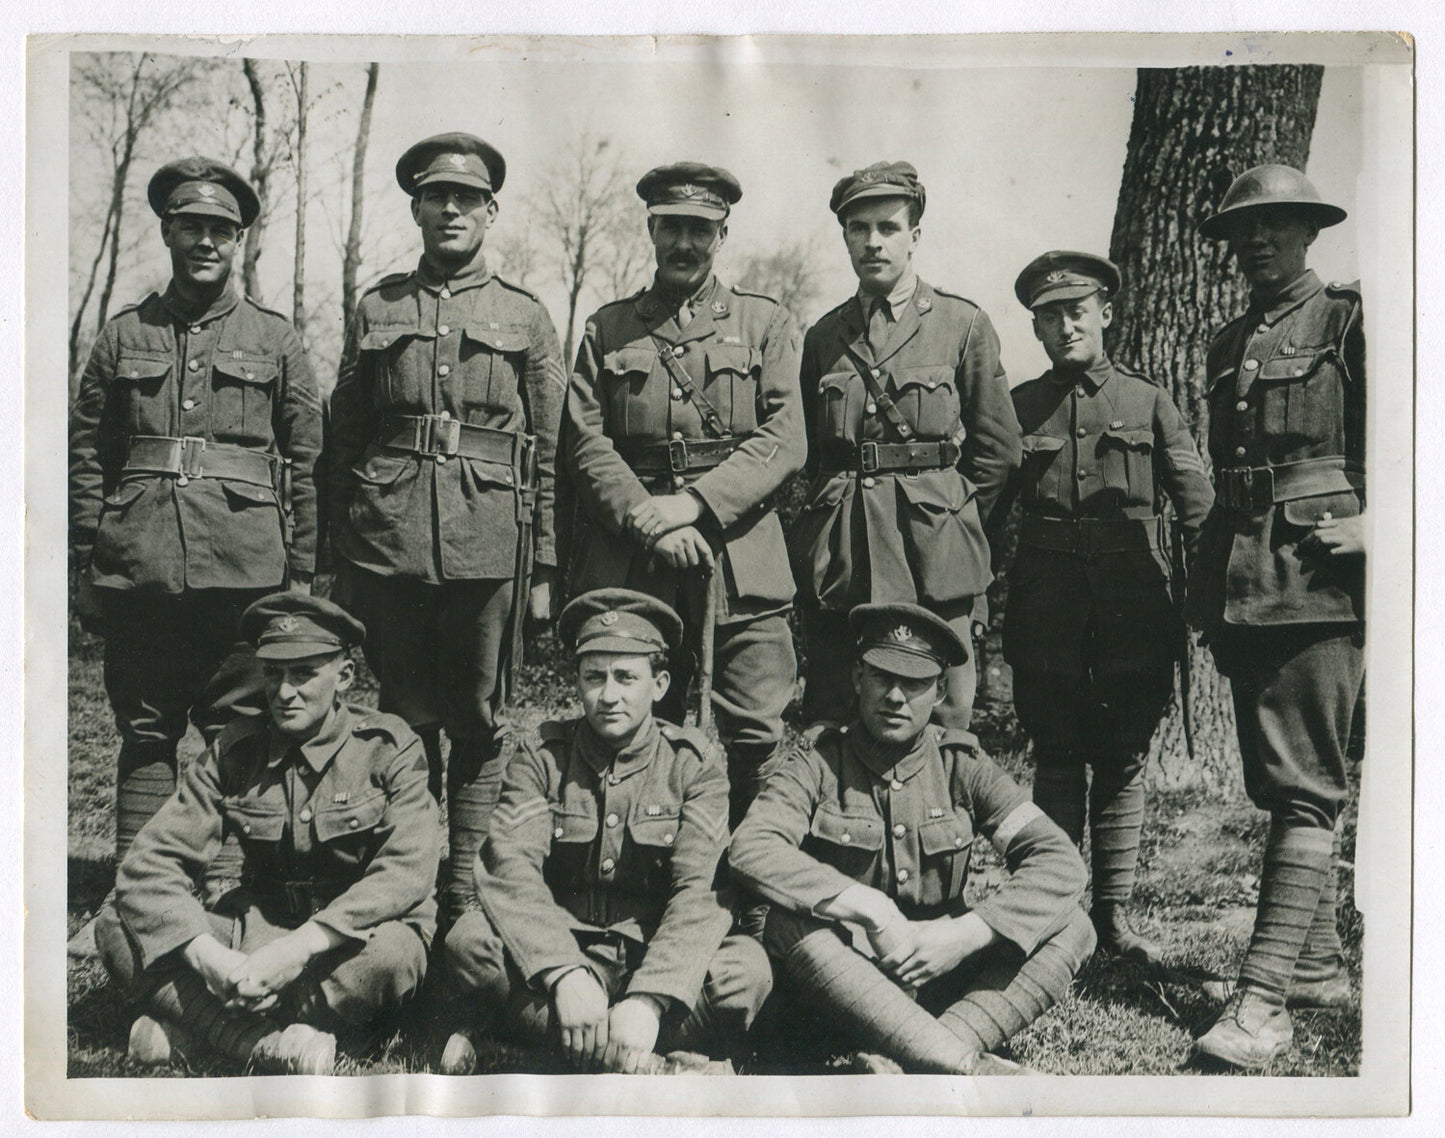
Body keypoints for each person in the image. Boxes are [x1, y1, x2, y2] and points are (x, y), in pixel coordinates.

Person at [68, 156, 323, 942]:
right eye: (191, 226)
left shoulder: (276, 340)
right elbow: (87, 454)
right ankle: (133, 900)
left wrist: (304, 582)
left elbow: (311, 462)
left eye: (220, 229)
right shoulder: (122, 336)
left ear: (238, 237)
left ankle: (232, 896)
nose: (205, 240)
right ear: (169, 230)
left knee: (241, 734)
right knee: (146, 732)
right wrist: (88, 560)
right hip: (140, 561)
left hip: (246, 570)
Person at [328, 132, 565, 925]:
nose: (452, 209)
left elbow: (552, 452)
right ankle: (407, 889)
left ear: (490, 212)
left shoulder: (525, 315)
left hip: (489, 538)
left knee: (479, 719)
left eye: (468, 199)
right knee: (400, 716)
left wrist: (544, 569)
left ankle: (463, 891)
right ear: (418, 209)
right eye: (439, 197)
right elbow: (345, 434)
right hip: (388, 539)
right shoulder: (378, 306)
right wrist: (341, 554)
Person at [729, 603, 1095, 1074]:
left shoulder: (962, 765)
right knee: (787, 924)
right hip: (840, 982)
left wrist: (964, 934)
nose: (896, 696)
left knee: (1073, 926)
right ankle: (961, 1062)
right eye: (882, 676)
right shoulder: (817, 762)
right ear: (859, 677)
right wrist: (868, 906)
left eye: (916, 682)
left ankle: (915, 1054)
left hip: (938, 973)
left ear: (940, 690)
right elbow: (753, 847)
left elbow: (1059, 861)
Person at [94, 594, 440, 1075]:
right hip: (255, 940)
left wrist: (296, 951)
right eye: (274, 673)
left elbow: (407, 871)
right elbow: (147, 864)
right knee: (116, 924)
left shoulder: (388, 747)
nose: (284, 691)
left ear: (344, 677)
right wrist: (209, 957)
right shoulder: (236, 749)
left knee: (394, 957)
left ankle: (201, 1029)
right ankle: (269, 1044)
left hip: (347, 945)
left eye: (304, 673)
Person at [439, 589, 772, 1075]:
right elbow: (510, 870)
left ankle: (535, 1052)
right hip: (559, 957)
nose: (608, 694)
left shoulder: (692, 765)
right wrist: (563, 972)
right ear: (576, 682)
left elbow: (699, 892)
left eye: (626, 677)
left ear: (659, 685)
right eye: (594, 677)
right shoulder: (543, 757)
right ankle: (652, 1063)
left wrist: (651, 999)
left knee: (746, 972)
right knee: (469, 945)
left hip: (651, 954)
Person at [560, 162, 804, 827]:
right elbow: (584, 444)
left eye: (699, 229)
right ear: (650, 229)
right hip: (635, 563)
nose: (684, 244)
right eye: (671, 227)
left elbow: (784, 438)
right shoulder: (606, 330)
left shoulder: (763, 324)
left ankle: (751, 892)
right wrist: (652, 522)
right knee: (634, 722)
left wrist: (693, 506)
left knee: (755, 727)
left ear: (722, 234)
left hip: (741, 559)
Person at [1188, 164, 1365, 1069]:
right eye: (1240, 231)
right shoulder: (1229, 342)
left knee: (1303, 788)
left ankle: (1260, 1006)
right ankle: (1317, 968)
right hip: (1246, 575)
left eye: (1275, 225)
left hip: (1321, 574)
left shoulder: (1346, 320)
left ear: (1307, 230)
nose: (1256, 242)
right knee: (1276, 780)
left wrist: (1385, 524)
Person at [1002, 251, 1214, 963]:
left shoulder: (1148, 400)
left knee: (1122, 756)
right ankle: (1058, 916)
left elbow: (1195, 507)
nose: (1064, 327)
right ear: (1033, 325)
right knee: (1056, 754)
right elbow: (982, 510)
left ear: (1105, 313)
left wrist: (1211, 598)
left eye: (1076, 311)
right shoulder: (1018, 406)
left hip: (1133, 606)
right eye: (1048, 316)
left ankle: (1114, 918)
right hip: (1045, 607)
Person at [790, 161, 1022, 731]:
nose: (873, 241)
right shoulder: (824, 336)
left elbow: (998, 452)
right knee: (837, 704)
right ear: (844, 237)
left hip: (934, 557)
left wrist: (952, 519)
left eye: (888, 227)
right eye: (859, 228)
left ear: (914, 235)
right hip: (846, 554)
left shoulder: (960, 323)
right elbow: (814, 457)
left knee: (943, 713)